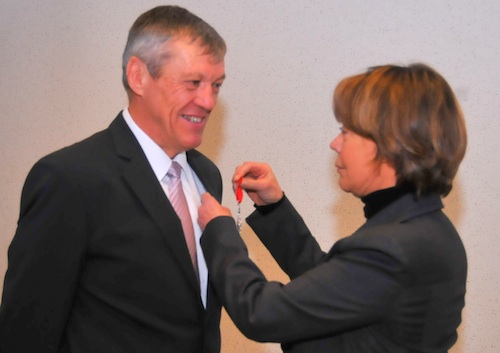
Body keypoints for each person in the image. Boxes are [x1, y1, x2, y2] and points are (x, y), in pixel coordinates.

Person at [0, 5, 226, 353]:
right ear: (138, 76)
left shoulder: (207, 175)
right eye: (193, 83)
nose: (208, 100)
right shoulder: (69, 180)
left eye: (216, 85)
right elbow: (27, 330)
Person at [198, 64, 467, 352]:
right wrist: (274, 208)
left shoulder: (393, 248)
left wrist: (220, 232)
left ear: (389, 143)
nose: (335, 144)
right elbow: (330, 288)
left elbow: (261, 314)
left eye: (346, 132)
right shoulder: (426, 229)